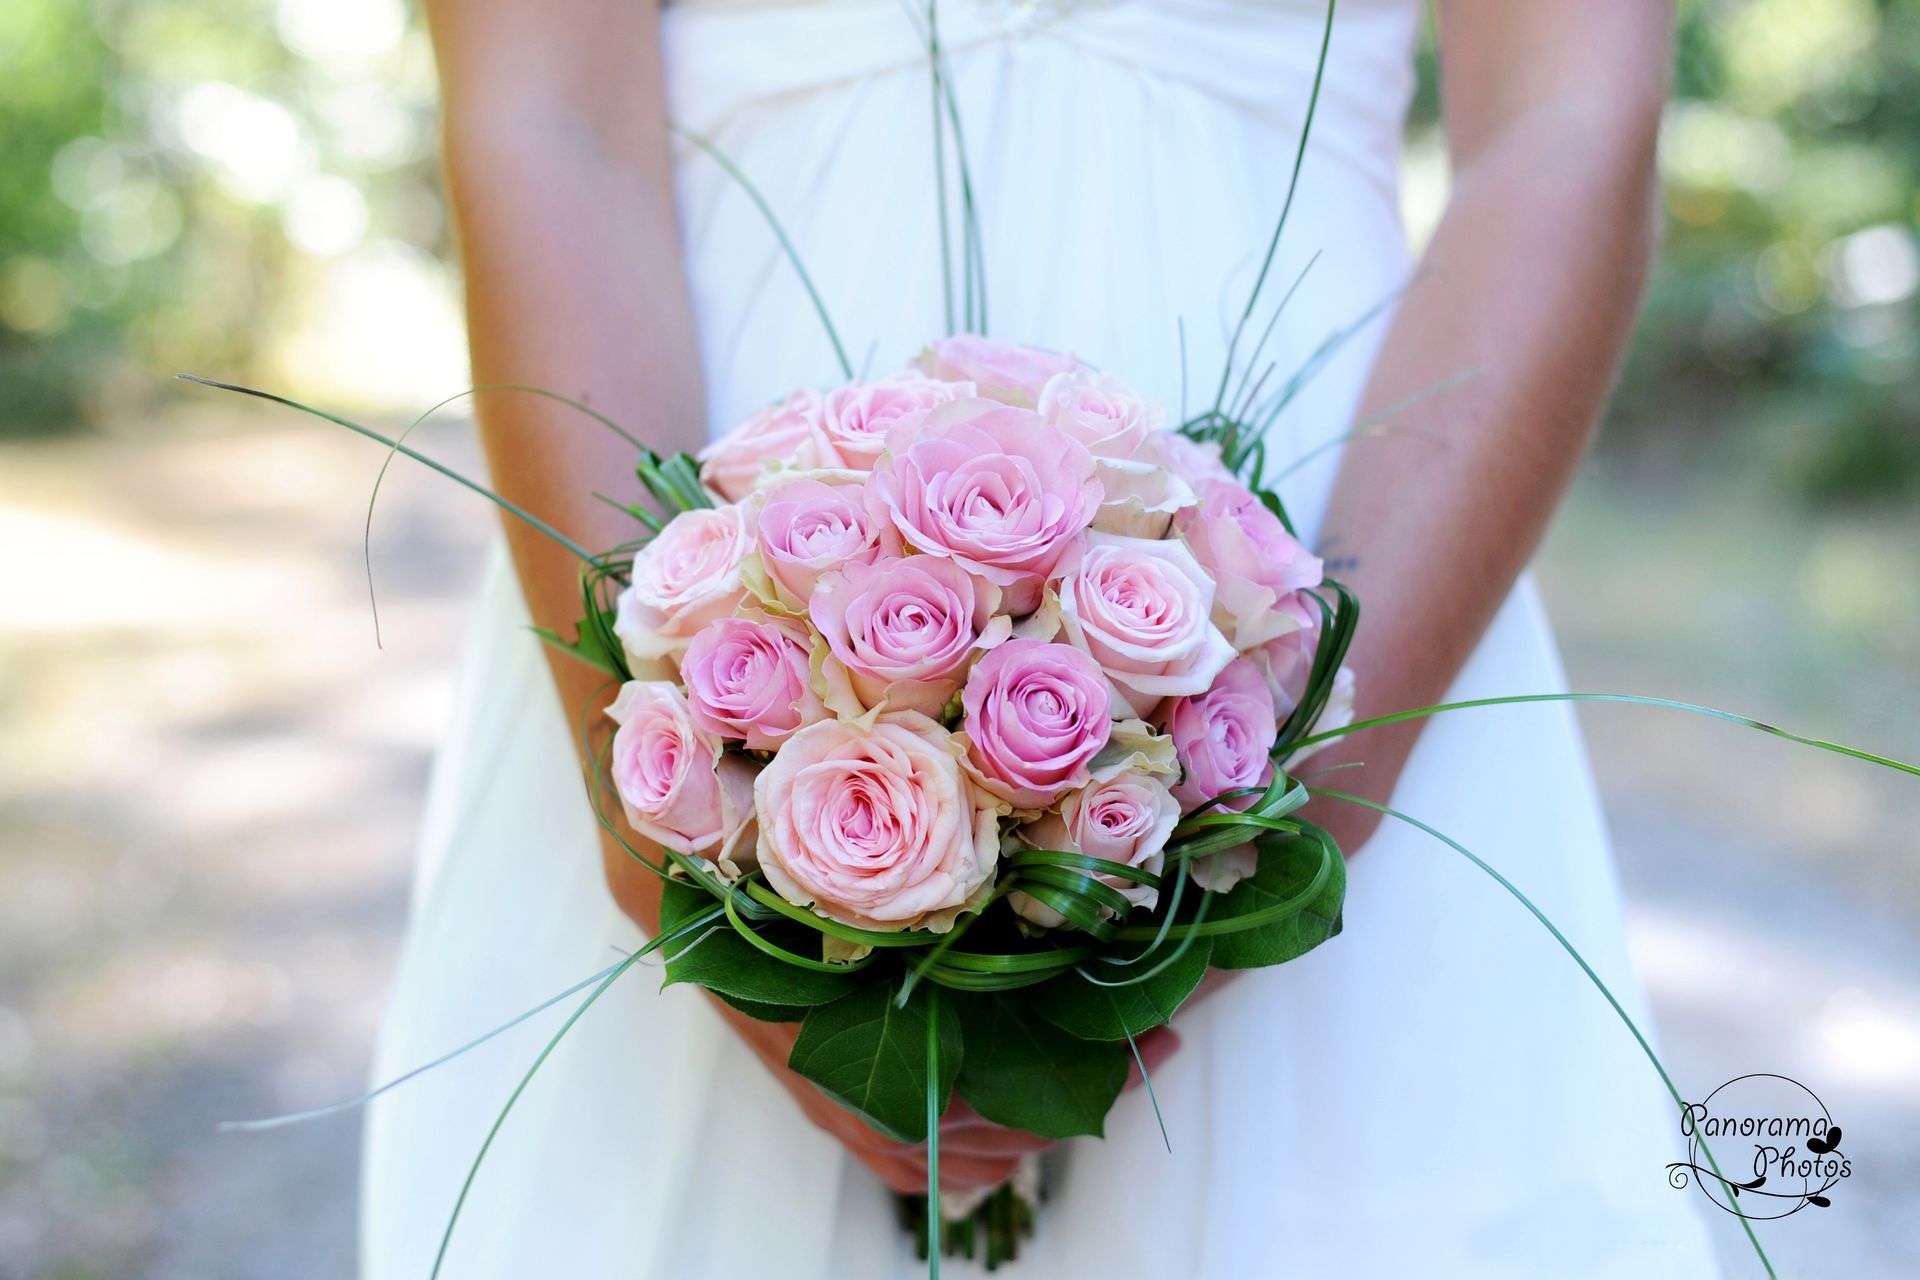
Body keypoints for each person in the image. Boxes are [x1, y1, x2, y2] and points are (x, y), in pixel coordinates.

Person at [363, 0, 1719, 1274]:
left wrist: (1290, 790)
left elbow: (1569, 119)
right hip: (698, 511)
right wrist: (672, 791)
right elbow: (547, 121)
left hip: (1349, 546)